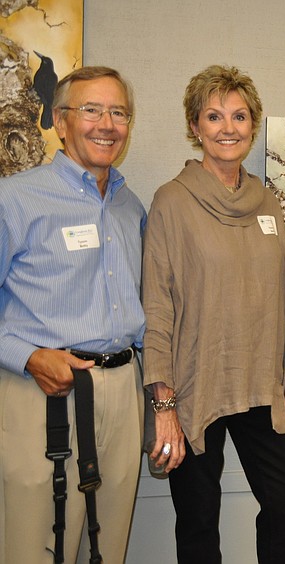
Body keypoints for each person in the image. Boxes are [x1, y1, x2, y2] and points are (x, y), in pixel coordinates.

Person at [142, 64, 285, 564]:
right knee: (198, 520)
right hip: (195, 387)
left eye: (239, 116)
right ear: (195, 126)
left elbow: (283, 299)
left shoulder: (268, 203)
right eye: (214, 116)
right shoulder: (172, 202)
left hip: (260, 383)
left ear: (252, 126)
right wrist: (163, 406)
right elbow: (157, 307)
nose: (227, 127)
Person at [0, 66, 145, 563]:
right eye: (91, 110)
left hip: (123, 392)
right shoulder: (15, 200)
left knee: (107, 546)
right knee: (36, 544)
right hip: (43, 392)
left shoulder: (132, 207)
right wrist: (29, 356)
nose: (107, 123)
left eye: (118, 112)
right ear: (60, 122)